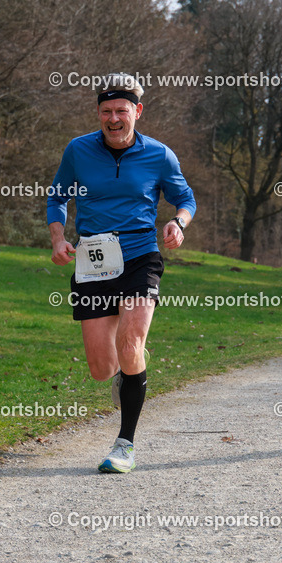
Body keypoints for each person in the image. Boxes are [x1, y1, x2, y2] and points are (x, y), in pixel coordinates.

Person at [47, 72, 196, 474]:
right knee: (101, 368)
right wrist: (59, 237)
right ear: (98, 113)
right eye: (106, 111)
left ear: (137, 111)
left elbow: (185, 198)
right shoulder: (78, 151)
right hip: (93, 259)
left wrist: (178, 223)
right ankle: (129, 371)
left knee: (130, 345)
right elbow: (58, 195)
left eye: (122, 111)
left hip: (140, 256)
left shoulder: (159, 155)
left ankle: (125, 444)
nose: (114, 119)